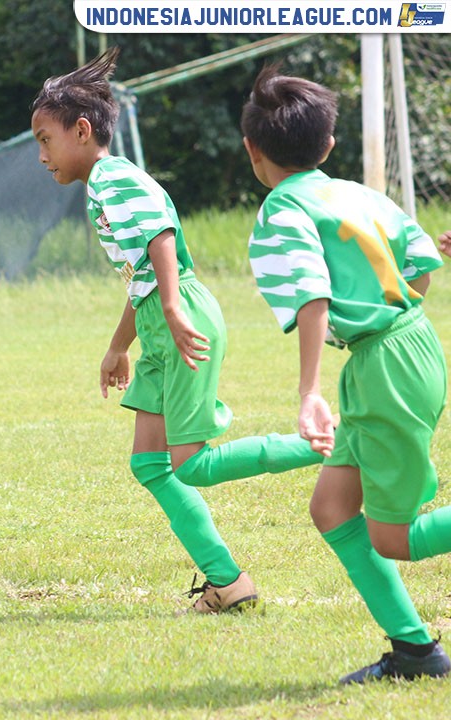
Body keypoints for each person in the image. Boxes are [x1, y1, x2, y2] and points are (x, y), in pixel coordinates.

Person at [30, 48, 322, 614]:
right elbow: (139, 267)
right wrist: (121, 343)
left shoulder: (110, 178)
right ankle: (227, 584)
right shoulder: (106, 183)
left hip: (179, 315)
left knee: (190, 463)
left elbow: (160, 234)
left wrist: (169, 308)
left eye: (45, 138)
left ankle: (328, 447)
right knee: (150, 463)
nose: (40, 154)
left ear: (82, 130)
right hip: (161, 319)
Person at [241, 65, 450, 684]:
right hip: (404, 349)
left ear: (253, 150)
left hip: (384, 364)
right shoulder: (357, 192)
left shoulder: (281, 208)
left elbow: (310, 296)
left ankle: (416, 654)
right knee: (333, 508)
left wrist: (308, 391)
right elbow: (422, 273)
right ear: (328, 146)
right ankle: (416, 654)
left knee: (394, 537)